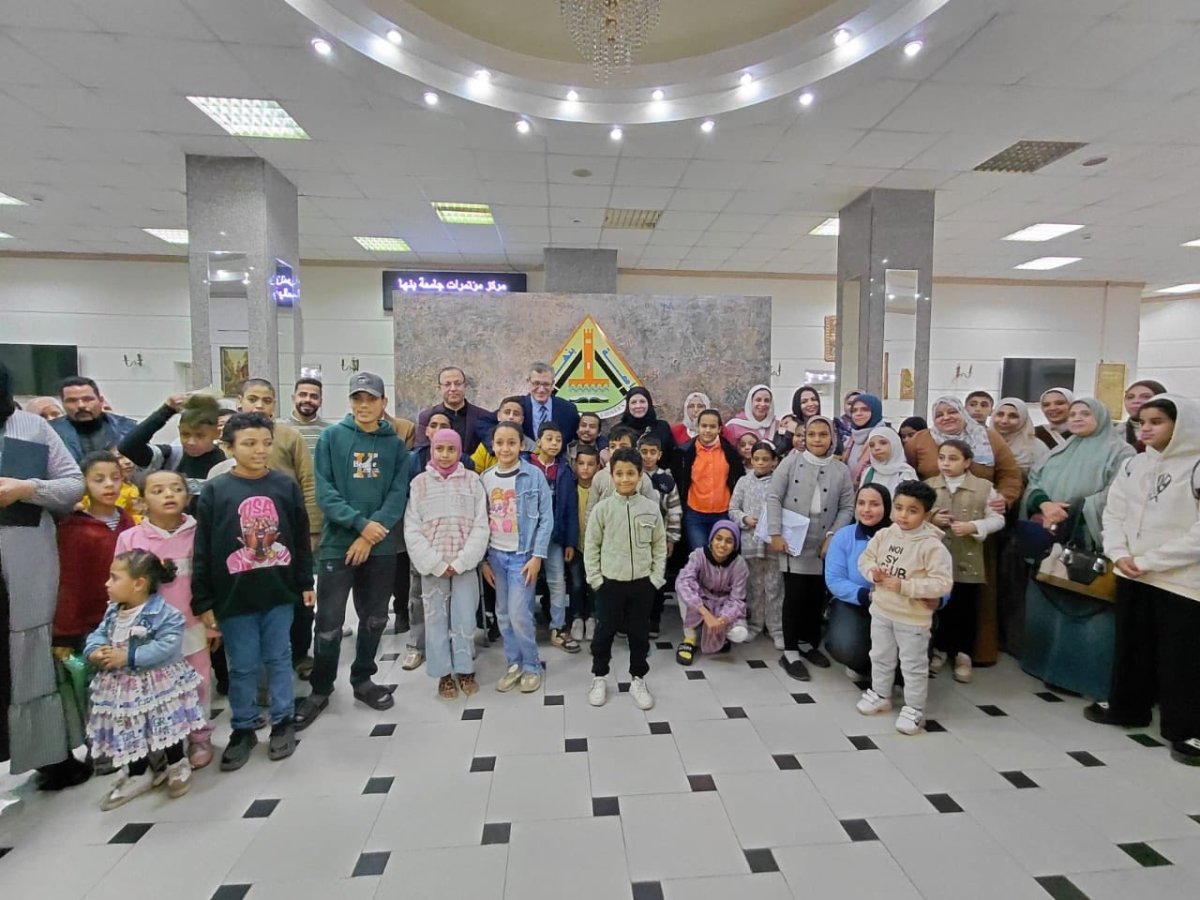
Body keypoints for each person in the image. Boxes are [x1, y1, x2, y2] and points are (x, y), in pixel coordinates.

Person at [192, 412, 314, 770]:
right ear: (228, 447)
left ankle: (283, 721)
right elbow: (203, 548)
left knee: (279, 658)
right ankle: (243, 727)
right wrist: (203, 598)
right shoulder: (216, 490)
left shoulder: (284, 485)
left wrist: (305, 583)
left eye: (265, 443)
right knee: (242, 665)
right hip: (235, 596)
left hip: (278, 591)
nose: (260, 450)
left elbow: (299, 538)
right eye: (249, 443)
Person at [1089, 395, 1200, 766]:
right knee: (1132, 646)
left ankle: (1187, 729)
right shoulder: (1134, 464)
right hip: (1132, 570)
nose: (1146, 429)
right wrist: (1118, 552)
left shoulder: (1196, 464)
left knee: (1182, 657)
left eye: (1157, 422)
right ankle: (1128, 707)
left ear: (1181, 425)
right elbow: (1114, 512)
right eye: (1141, 422)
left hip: (1182, 579)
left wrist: (1150, 561)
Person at [297, 373, 410, 729]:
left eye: (371, 399)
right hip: (337, 545)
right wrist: (359, 526)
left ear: (383, 403)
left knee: (375, 618)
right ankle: (321, 688)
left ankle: (363, 679)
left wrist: (370, 535)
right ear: (350, 402)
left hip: (380, 546)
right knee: (329, 623)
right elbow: (325, 491)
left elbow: (398, 494)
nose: (364, 405)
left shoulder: (395, 446)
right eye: (357, 398)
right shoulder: (332, 437)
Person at [0, 363, 86, 787]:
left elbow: (73, 485)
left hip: (24, 563)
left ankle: (50, 755)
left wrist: (27, 489)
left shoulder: (30, 427)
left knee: (29, 656)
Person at [1020, 397, 1134, 698]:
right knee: (1049, 600)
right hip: (1051, 536)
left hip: (1088, 539)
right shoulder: (1060, 450)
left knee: (1086, 610)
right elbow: (1034, 481)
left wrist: (1075, 511)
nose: (1077, 418)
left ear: (1101, 417)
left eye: (1085, 413)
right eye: (1073, 414)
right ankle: (1042, 665)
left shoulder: (1120, 452)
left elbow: (1119, 493)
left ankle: (1081, 676)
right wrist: (1044, 504)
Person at [85, 550, 205, 809]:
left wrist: (128, 656)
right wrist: (94, 650)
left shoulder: (164, 613)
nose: (107, 584)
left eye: (114, 578)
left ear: (139, 583)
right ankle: (139, 772)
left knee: (166, 723)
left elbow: (167, 646)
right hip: (122, 689)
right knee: (129, 727)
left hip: (158, 684)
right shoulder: (112, 612)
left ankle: (176, 762)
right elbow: (98, 634)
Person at [115, 469, 215, 770]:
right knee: (156, 687)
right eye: (157, 491)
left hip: (193, 623)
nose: (168, 495)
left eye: (176, 488)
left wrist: (212, 626)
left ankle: (199, 736)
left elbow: (211, 579)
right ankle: (163, 741)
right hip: (149, 632)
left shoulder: (201, 534)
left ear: (188, 495)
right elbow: (121, 587)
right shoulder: (130, 538)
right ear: (142, 500)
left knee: (198, 682)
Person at [855, 481, 954, 735]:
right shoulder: (885, 535)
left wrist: (905, 586)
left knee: (913, 665)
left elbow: (942, 583)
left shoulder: (932, 546)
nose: (903, 515)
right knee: (880, 655)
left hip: (912, 618)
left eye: (912, 510)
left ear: (926, 514)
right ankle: (880, 694)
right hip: (881, 610)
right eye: (899, 508)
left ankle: (914, 708)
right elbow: (865, 559)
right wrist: (873, 573)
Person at [404, 428, 489, 701]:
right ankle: (443, 674)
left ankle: (464, 670)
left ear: (459, 451)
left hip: (464, 565)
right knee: (436, 621)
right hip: (433, 567)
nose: (445, 455)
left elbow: (481, 525)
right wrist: (436, 563)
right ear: (432, 449)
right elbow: (412, 529)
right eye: (440, 449)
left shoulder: (472, 481)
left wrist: (462, 561)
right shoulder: (419, 484)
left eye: (451, 449)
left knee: (464, 618)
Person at [767, 415, 854, 681]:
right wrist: (775, 532)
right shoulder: (791, 461)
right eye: (811, 434)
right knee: (794, 595)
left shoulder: (840, 469)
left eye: (823, 435)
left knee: (815, 596)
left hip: (823, 539)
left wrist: (832, 537)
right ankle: (790, 651)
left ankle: (807, 643)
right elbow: (774, 496)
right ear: (804, 437)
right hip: (793, 538)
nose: (817, 440)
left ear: (832, 438)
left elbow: (847, 507)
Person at [585, 447, 666, 710]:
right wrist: (596, 580)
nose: (625, 479)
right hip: (609, 584)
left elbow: (659, 545)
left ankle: (638, 679)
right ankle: (599, 677)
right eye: (619, 474)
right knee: (604, 632)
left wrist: (655, 579)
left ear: (640, 475)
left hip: (642, 584)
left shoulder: (651, 509)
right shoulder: (602, 509)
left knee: (639, 634)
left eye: (631, 473)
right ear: (611, 476)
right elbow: (591, 546)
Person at [480, 421, 552, 693]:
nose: (505, 448)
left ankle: (532, 665)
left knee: (520, 614)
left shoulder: (533, 475)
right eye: (500, 442)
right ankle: (514, 663)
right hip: (496, 556)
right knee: (503, 614)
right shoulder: (485, 478)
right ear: (493, 445)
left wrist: (537, 556)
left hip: (523, 557)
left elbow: (546, 518)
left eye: (512, 442)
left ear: (522, 445)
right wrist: (483, 560)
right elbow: (480, 521)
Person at [926, 439, 1005, 684]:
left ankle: (963, 654)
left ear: (967, 462)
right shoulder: (929, 486)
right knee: (939, 606)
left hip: (967, 559)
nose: (946, 464)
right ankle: (939, 649)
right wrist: (932, 519)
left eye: (953, 458)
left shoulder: (983, 487)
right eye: (942, 458)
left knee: (966, 607)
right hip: (935, 560)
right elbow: (915, 514)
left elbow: (997, 519)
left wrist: (974, 526)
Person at [53, 452, 136, 651]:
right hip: (89, 626)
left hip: (129, 618)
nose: (109, 485)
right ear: (83, 484)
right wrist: (64, 634)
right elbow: (70, 585)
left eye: (115, 478)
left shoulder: (128, 521)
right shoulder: (74, 528)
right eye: (99, 480)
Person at [824, 484, 892, 679]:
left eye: (874, 504)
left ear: (887, 507)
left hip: (895, 605)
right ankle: (862, 664)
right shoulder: (844, 536)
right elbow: (834, 579)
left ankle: (895, 675)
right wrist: (865, 595)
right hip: (856, 602)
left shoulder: (899, 537)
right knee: (846, 646)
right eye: (861, 503)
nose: (866, 509)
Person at [904, 396, 1023, 508]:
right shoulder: (919, 440)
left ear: (963, 413)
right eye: (939, 415)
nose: (946, 417)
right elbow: (907, 472)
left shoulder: (988, 438)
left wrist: (1003, 498)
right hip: (933, 509)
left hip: (981, 508)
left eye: (952, 412)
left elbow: (1009, 475)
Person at [528, 421, 580, 653]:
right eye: (549, 439)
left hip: (554, 536)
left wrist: (570, 541)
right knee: (526, 581)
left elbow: (570, 508)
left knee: (558, 581)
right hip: (528, 537)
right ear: (538, 441)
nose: (554, 443)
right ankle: (526, 626)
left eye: (558, 440)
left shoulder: (564, 470)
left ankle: (557, 627)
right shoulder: (526, 465)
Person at [118, 394, 226, 507]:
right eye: (185, 434)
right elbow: (128, 446)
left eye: (200, 436)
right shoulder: (171, 457)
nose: (191, 442)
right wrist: (167, 410)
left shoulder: (228, 463)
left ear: (217, 433)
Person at [728, 440, 784, 650]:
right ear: (751, 459)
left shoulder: (780, 483)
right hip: (750, 542)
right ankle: (754, 625)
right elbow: (732, 509)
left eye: (765, 459)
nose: (760, 463)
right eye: (756, 459)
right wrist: (744, 519)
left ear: (774, 461)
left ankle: (776, 628)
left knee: (774, 587)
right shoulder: (743, 482)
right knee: (753, 587)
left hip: (772, 544)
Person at [675, 520, 750, 663]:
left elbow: (738, 599)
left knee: (740, 634)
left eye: (729, 541)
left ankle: (722, 634)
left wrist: (722, 620)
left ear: (735, 545)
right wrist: (706, 614)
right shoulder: (699, 555)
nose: (722, 545)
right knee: (682, 590)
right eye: (718, 538)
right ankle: (690, 637)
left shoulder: (739, 564)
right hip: (703, 600)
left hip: (724, 604)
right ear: (711, 539)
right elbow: (683, 582)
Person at [674, 409, 743, 552]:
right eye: (704, 426)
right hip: (695, 515)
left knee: (721, 555)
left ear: (719, 429)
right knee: (701, 556)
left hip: (723, 513)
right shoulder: (685, 452)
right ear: (697, 427)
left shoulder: (729, 452)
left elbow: (737, 479)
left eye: (712, 426)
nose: (707, 430)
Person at [638, 433, 681, 638]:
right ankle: (634, 620)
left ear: (659, 454)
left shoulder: (666, 480)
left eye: (652, 452)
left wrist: (671, 538)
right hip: (636, 540)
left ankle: (654, 620)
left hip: (659, 540)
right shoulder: (633, 475)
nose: (647, 456)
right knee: (637, 582)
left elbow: (675, 511)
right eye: (644, 452)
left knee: (657, 580)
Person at [49, 376, 136, 463]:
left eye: (88, 399)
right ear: (63, 404)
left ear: (101, 401)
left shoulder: (127, 429)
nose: (81, 405)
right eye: (72, 401)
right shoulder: (51, 432)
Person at [416, 365, 491, 455]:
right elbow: (421, 451)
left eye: (458, 384)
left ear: (465, 386)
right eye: (447, 384)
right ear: (439, 388)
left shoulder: (483, 416)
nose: (453, 389)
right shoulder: (427, 416)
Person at [568, 444, 601, 642]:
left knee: (593, 583)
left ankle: (591, 617)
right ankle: (576, 617)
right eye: (581, 463)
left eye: (590, 464)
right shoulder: (570, 488)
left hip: (596, 548)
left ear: (598, 466)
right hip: (575, 546)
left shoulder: (602, 490)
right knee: (576, 583)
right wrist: (569, 543)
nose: (585, 468)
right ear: (575, 465)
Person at [520, 361, 579, 444]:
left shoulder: (568, 410)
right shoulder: (516, 407)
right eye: (536, 383)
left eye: (546, 384)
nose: (541, 389)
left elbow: (581, 437)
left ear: (553, 384)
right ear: (528, 382)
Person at [619, 386, 677, 470]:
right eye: (633, 402)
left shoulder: (662, 428)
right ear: (628, 405)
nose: (638, 406)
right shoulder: (619, 430)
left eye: (642, 401)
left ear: (649, 404)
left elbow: (672, 457)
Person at [471, 396, 536, 471]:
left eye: (516, 414)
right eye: (507, 412)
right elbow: (473, 471)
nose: (511, 417)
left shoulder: (532, 447)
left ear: (522, 420)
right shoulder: (486, 445)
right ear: (498, 416)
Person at [990, 397, 1047, 475]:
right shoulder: (983, 443)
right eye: (1000, 414)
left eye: (1013, 416)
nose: (1004, 421)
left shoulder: (1036, 447)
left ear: (1023, 419)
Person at [842, 393, 885, 488]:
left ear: (875, 411)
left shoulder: (885, 438)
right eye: (854, 410)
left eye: (865, 409)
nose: (858, 413)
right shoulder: (851, 440)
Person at [860, 426, 918, 494]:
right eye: (872, 445)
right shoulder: (869, 471)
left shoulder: (906, 472)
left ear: (894, 444)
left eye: (883, 443)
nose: (877, 448)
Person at [1117, 379, 1167, 452]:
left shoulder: (1174, 431)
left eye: (1146, 397)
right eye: (1130, 397)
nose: (1136, 401)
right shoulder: (1114, 433)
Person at [286, 377, 332, 454]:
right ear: (293, 398)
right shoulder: (277, 427)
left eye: (314, 396)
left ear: (320, 402)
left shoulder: (330, 430)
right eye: (302, 395)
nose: (307, 400)